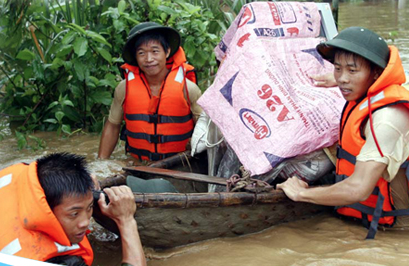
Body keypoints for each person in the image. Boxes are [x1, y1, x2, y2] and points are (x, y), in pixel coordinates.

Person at [277, 27, 409, 238]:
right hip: (363, 220)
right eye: (338, 69)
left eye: (352, 70)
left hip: (396, 232)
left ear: (376, 73)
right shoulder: (365, 89)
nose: (343, 79)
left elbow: (358, 189)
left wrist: (302, 193)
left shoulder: (387, 118)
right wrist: (340, 77)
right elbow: (350, 78)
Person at [0, 152, 146, 266]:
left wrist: (81, 187)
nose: (85, 222)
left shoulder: (15, 179)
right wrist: (126, 221)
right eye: (74, 214)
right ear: (47, 210)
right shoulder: (64, 261)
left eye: (89, 208)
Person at [98, 22, 202, 161]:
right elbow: (113, 125)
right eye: (141, 53)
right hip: (138, 163)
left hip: (179, 164)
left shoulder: (188, 89)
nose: (148, 59)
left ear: (167, 52)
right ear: (135, 57)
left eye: (155, 51)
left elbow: (206, 130)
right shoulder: (124, 88)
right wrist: (101, 163)